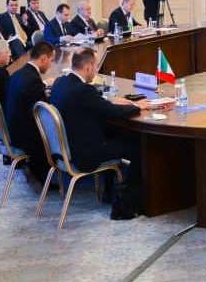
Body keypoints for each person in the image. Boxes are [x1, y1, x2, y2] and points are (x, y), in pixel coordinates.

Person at [48, 49, 152, 219]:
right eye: (96, 67)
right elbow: (112, 112)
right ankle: (126, 204)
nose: (96, 71)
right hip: (85, 154)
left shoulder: (61, 82)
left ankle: (109, 193)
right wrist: (137, 106)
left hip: (66, 150)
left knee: (116, 135)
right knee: (138, 146)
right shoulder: (83, 91)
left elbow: (94, 104)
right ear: (88, 67)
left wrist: (108, 101)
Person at [3, 41, 54, 180]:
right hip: (25, 136)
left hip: (13, 129)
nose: (51, 65)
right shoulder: (32, 79)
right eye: (51, 60)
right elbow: (43, 113)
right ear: (43, 58)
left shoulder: (19, 73)